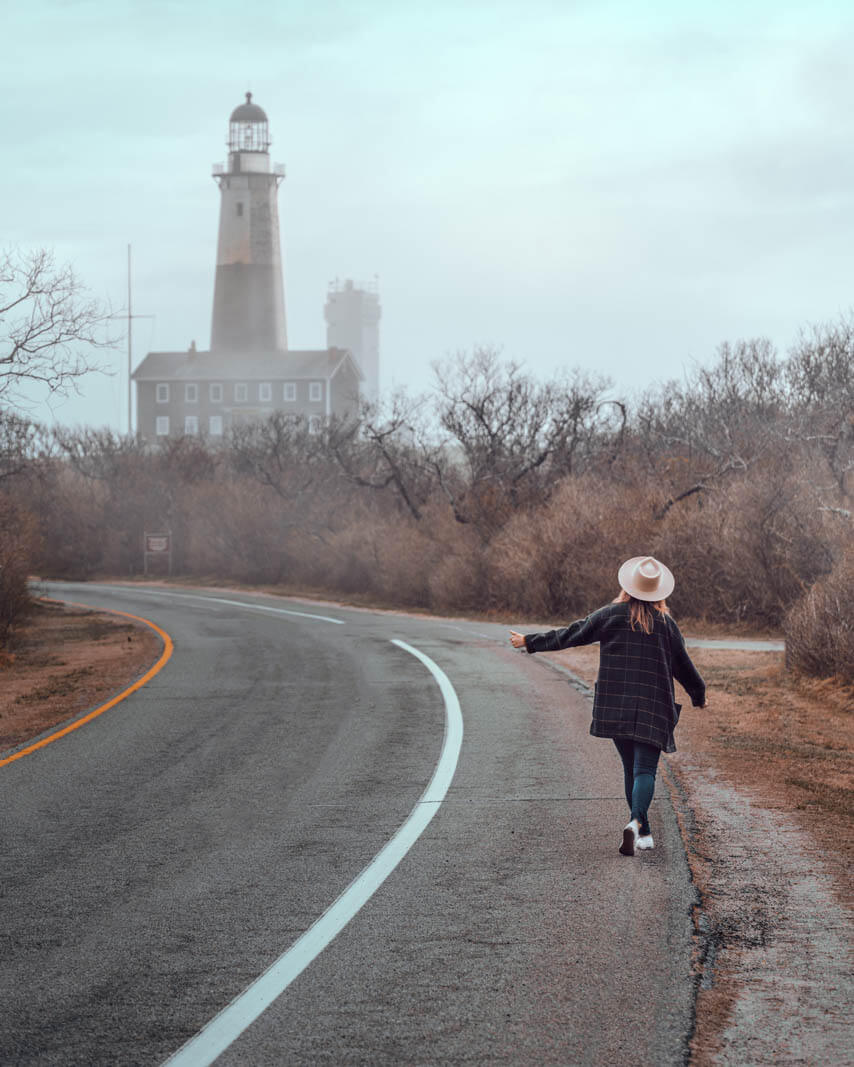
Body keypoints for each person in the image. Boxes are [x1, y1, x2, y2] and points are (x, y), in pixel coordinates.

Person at [509, 556, 706, 856]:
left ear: (627, 586)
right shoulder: (667, 625)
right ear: (659, 593)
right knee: (645, 772)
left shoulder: (610, 615)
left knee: (631, 769)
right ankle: (637, 824)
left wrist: (530, 641)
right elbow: (683, 667)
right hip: (653, 707)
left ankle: (641, 830)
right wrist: (699, 695)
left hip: (615, 704)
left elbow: (572, 634)